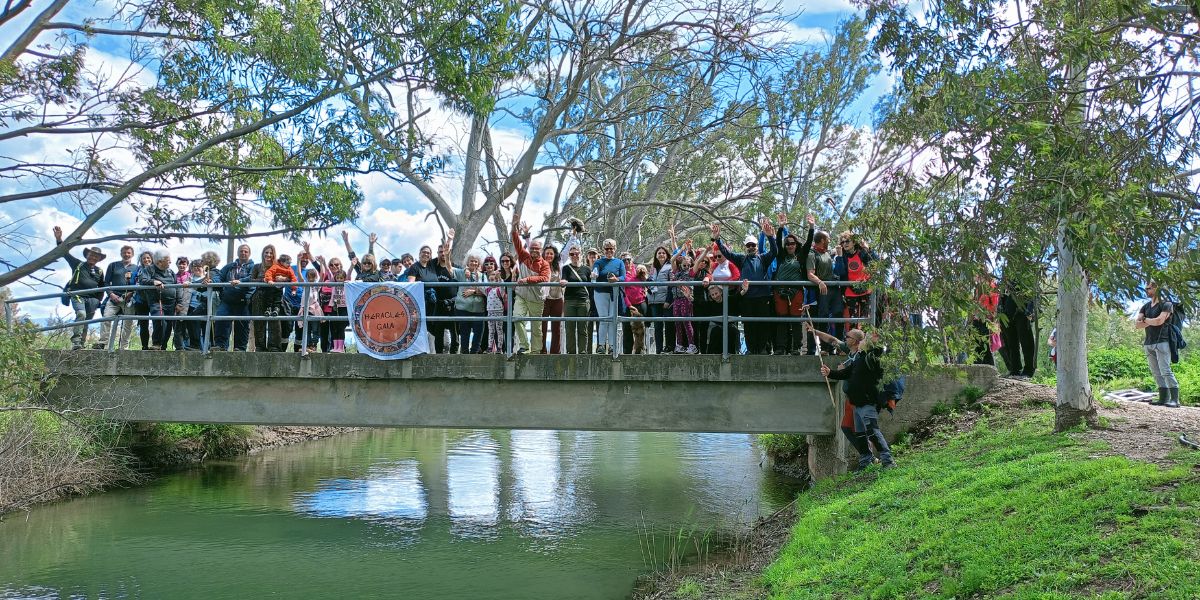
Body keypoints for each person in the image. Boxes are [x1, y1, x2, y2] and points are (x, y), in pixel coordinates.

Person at [820, 328, 895, 470]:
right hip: (857, 403)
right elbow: (845, 373)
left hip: (868, 402)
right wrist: (830, 373)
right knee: (860, 434)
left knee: (872, 431)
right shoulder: (859, 358)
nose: (862, 341)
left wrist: (875, 339)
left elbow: (880, 350)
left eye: (865, 340)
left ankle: (888, 460)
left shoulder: (872, 357)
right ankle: (866, 460)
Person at [713, 218, 777, 354]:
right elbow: (727, 253)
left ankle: (763, 350)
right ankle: (751, 350)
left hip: (762, 297)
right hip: (747, 298)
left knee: (763, 325)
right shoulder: (742, 259)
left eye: (753, 245)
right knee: (749, 325)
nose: (751, 248)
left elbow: (774, 252)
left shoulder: (763, 258)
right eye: (748, 245)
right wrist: (718, 239)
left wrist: (770, 237)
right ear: (745, 247)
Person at [51, 226, 105, 350]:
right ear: (87, 255)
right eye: (92, 255)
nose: (93, 257)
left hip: (92, 299)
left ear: (99, 259)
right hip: (78, 295)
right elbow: (65, 253)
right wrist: (59, 239)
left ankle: (81, 344)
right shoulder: (78, 264)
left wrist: (98, 301)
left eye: (96, 256)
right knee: (81, 314)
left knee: (86, 321)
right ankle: (76, 341)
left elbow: (102, 286)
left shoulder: (99, 271)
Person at [773, 214, 815, 355]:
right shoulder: (781, 256)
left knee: (796, 321)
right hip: (780, 291)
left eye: (792, 243)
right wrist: (781, 227)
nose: (790, 245)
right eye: (788, 244)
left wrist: (811, 227)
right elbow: (777, 242)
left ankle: (796, 347)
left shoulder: (800, 257)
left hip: (796, 291)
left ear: (796, 245)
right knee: (782, 320)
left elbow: (809, 243)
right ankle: (780, 348)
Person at [510, 214, 550, 354]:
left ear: (541, 250)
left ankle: (536, 351)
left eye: (536, 249)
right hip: (521, 295)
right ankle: (524, 346)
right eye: (531, 248)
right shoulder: (523, 256)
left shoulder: (544, 264)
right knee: (516, 318)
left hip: (536, 299)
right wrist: (514, 227)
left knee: (536, 326)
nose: (533, 250)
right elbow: (516, 241)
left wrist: (526, 280)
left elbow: (544, 278)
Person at [1137, 281, 1180, 408]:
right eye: (1145, 289)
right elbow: (1137, 324)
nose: (1146, 291)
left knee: (1165, 370)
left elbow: (1160, 321)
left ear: (1156, 288)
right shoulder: (1145, 306)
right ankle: (1163, 398)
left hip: (1163, 341)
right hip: (1149, 342)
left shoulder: (1166, 304)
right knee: (1155, 371)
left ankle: (1175, 400)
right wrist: (1150, 321)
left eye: (1149, 288)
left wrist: (1145, 320)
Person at [214, 244, 254, 351]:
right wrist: (215, 283)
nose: (243, 253)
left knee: (242, 325)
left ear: (249, 253)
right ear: (237, 252)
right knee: (221, 320)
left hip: (244, 300)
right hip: (227, 299)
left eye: (245, 251)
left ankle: (239, 349)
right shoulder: (230, 266)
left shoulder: (253, 266)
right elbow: (219, 276)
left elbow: (252, 277)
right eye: (241, 251)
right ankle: (220, 346)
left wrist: (241, 282)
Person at [249, 245, 288, 352]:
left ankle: (274, 346)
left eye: (271, 253)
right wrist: (263, 280)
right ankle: (260, 346)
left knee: (274, 321)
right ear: (263, 253)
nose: (268, 255)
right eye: (266, 252)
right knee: (259, 321)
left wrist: (282, 278)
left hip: (275, 296)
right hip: (259, 295)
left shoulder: (279, 266)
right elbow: (251, 280)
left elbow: (288, 279)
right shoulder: (257, 266)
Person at [97, 245, 136, 350]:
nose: (126, 254)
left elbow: (138, 283)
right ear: (121, 253)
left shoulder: (136, 268)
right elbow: (106, 282)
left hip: (129, 298)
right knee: (106, 317)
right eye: (124, 252)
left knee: (128, 323)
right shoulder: (113, 265)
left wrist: (131, 293)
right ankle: (103, 343)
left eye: (128, 252)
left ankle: (124, 347)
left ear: (132, 254)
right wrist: (111, 294)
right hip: (114, 297)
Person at [591, 239, 626, 355]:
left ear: (615, 249)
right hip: (600, 293)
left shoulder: (619, 262)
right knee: (604, 318)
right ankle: (600, 345)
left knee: (612, 320)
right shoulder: (599, 262)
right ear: (603, 250)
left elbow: (623, 277)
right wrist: (594, 274)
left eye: (611, 248)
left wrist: (616, 279)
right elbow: (595, 271)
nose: (609, 250)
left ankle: (612, 346)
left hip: (614, 293)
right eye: (607, 248)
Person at [998, 280, 1038, 378]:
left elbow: (1034, 292)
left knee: (1026, 342)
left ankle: (1028, 371)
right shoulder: (1006, 271)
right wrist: (1000, 309)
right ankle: (1014, 369)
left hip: (1022, 311)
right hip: (1006, 313)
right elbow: (1002, 293)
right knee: (1010, 343)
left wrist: (1030, 310)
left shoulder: (1026, 273)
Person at [139, 249, 178, 350]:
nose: (170, 262)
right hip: (157, 300)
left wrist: (178, 302)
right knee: (159, 320)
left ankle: (163, 346)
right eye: (168, 260)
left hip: (171, 302)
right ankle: (156, 343)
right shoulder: (149, 269)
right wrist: (153, 281)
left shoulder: (171, 271)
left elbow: (177, 286)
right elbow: (143, 280)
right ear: (159, 262)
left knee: (168, 324)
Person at [560, 245, 592, 354]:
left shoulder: (587, 269)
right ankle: (571, 352)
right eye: (572, 254)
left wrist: (591, 302)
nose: (574, 256)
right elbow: (563, 279)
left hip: (584, 301)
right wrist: (563, 282)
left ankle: (582, 351)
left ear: (581, 254)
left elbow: (590, 286)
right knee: (569, 328)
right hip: (570, 301)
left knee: (583, 328)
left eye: (577, 253)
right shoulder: (566, 268)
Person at [453, 253, 487, 354]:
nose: (474, 263)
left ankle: (474, 353)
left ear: (479, 263)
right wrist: (447, 254)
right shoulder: (462, 272)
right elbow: (450, 269)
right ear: (467, 262)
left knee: (478, 332)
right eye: (471, 260)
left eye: (476, 261)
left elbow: (486, 290)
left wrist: (473, 291)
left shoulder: (482, 276)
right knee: (464, 332)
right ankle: (464, 353)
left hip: (479, 309)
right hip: (463, 308)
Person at [315, 255, 349, 352]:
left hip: (339, 308)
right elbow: (319, 267)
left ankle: (339, 348)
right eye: (331, 265)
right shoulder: (327, 276)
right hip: (325, 308)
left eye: (336, 264)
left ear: (341, 266)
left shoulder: (344, 278)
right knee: (325, 332)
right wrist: (323, 262)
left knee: (339, 328)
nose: (334, 266)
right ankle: (326, 351)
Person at [669, 252, 697, 353]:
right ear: (681, 264)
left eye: (688, 265)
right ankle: (680, 344)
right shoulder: (677, 271)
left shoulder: (690, 272)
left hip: (686, 298)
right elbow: (672, 260)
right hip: (676, 299)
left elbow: (696, 264)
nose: (686, 267)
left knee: (686, 322)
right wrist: (681, 250)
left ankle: (692, 344)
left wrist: (678, 284)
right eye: (684, 265)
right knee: (677, 322)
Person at [647, 246, 673, 353]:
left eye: (663, 253)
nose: (661, 255)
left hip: (665, 301)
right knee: (657, 327)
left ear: (667, 255)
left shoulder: (670, 267)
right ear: (656, 255)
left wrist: (668, 300)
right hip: (654, 301)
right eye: (659, 253)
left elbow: (672, 285)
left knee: (669, 325)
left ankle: (669, 348)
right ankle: (658, 350)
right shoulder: (653, 268)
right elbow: (650, 281)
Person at [540, 245, 564, 354]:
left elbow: (567, 250)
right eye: (547, 253)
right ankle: (542, 350)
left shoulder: (559, 265)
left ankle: (555, 352)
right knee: (542, 326)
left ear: (554, 255)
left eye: (551, 253)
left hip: (557, 299)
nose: (549, 255)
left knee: (556, 327)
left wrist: (573, 236)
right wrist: (527, 238)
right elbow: (532, 253)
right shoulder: (540, 265)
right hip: (544, 299)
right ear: (543, 255)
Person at [622, 263, 650, 355]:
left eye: (628, 259)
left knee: (641, 330)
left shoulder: (637, 270)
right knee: (627, 330)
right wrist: (629, 305)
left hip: (641, 303)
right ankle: (627, 353)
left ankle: (641, 351)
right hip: (628, 305)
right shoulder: (622, 273)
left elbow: (647, 284)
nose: (626, 261)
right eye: (624, 259)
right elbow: (623, 291)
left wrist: (643, 273)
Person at [972, 274, 1000, 365]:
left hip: (986, 320)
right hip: (976, 319)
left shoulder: (991, 286)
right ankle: (977, 368)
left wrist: (993, 320)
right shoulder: (978, 288)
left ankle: (991, 369)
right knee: (976, 346)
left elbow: (995, 304)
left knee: (985, 346)